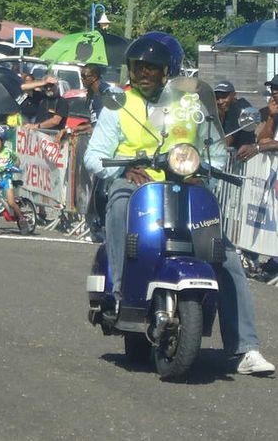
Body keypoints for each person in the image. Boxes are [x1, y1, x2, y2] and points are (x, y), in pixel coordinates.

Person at [84, 33, 274, 376]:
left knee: (225, 254)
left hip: (182, 184)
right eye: (138, 66)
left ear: (167, 70)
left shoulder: (190, 105)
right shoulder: (119, 105)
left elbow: (213, 144)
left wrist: (209, 173)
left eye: (152, 67)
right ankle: (119, 289)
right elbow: (94, 156)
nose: (143, 73)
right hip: (137, 183)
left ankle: (245, 348)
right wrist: (123, 167)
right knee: (118, 202)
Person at [213, 80, 255, 150]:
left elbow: (228, 140)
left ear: (234, 95)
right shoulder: (231, 108)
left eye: (224, 97)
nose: (220, 101)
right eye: (217, 98)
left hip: (241, 154)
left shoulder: (238, 109)